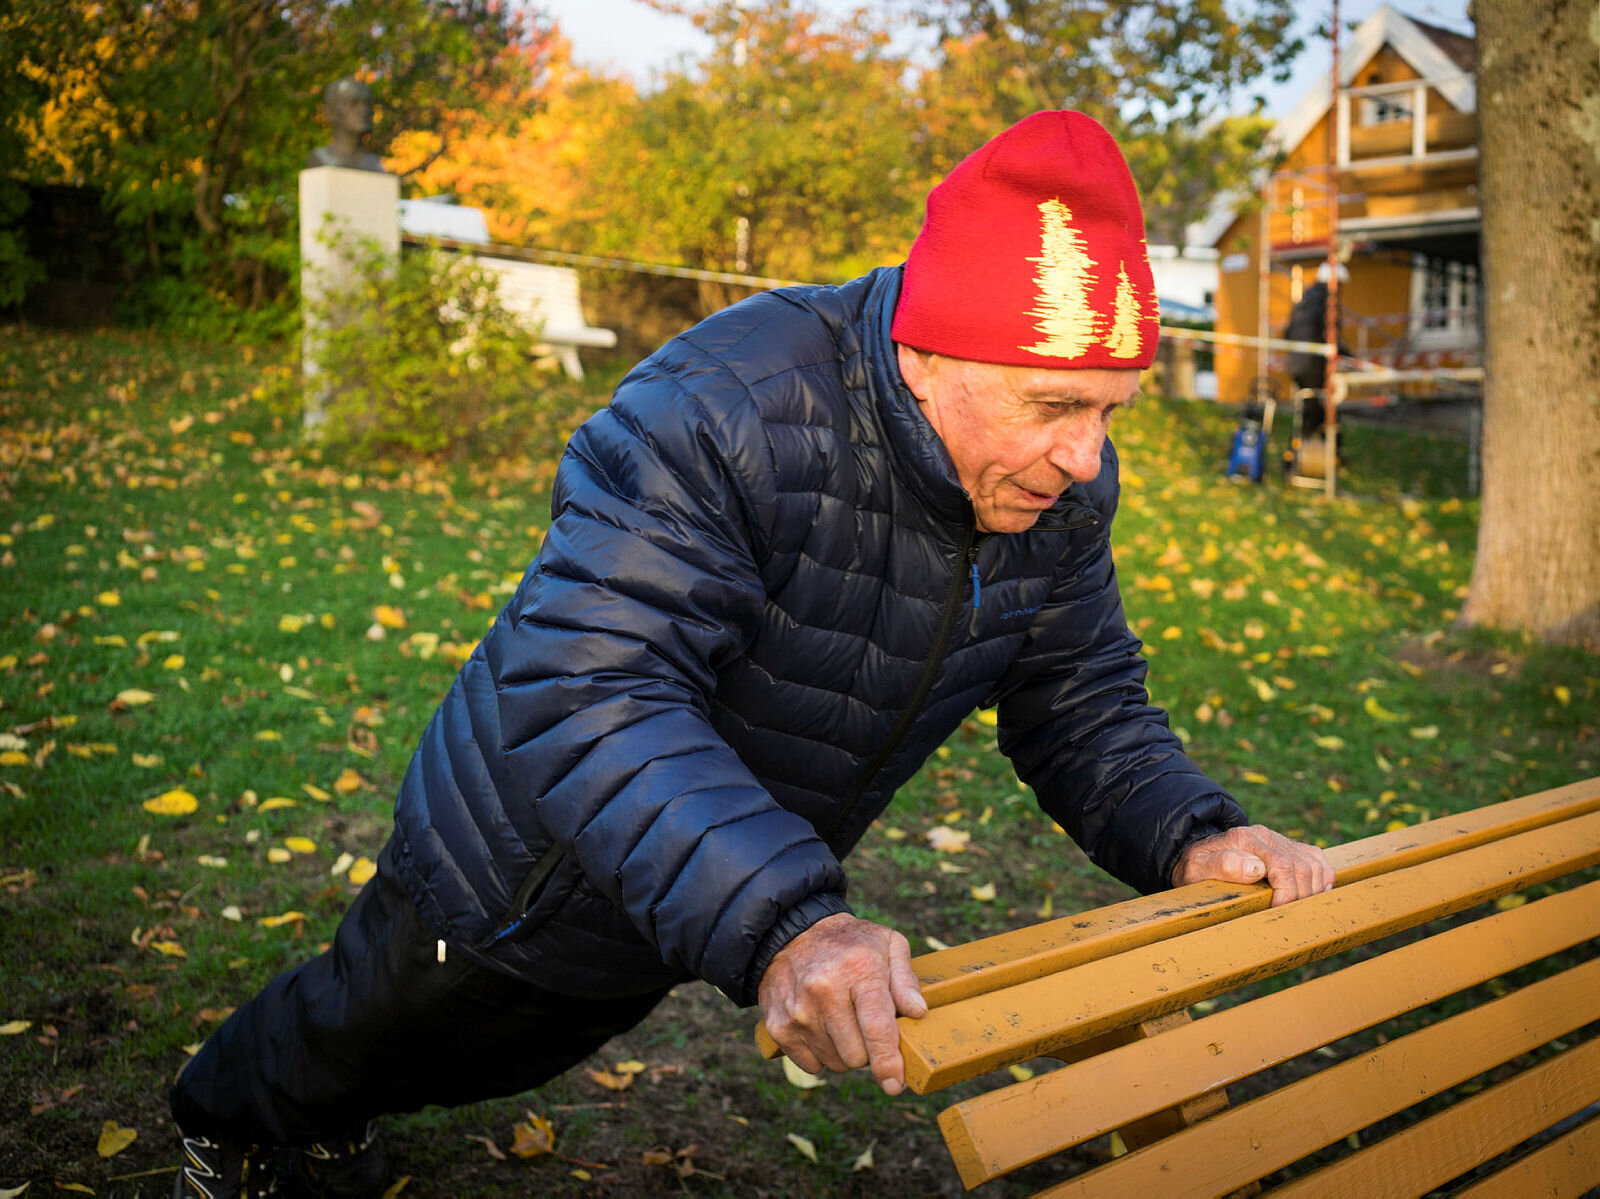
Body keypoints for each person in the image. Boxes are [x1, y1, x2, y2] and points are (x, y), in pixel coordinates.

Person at [170, 110, 1334, 1198]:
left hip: (702, 876)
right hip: (521, 855)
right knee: (385, 1016)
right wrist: (788, 919)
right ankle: (222, 1121)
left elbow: (1079, 699)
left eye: (1109, 411)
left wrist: (1193, 831)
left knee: (515, 1046)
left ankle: (319, 1120)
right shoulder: (722, 404)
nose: (1085, 456)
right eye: (1051, 405)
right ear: (927, 356)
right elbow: (593, 687)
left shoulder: (1052, 484)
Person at [1283, 261, 1350, 439]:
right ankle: (1318, 450)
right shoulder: (1324, 301)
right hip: (1311, 364)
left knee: (1312, 407)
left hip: (1296, 363)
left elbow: (1287, 332)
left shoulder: (1306, 298)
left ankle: (1308, 450)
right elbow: (1328, 334)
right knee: (1322, 409)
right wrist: (1349, 357)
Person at [306, 76, 386, 173]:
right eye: (353, 103)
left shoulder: (376, 164)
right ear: (331, 112)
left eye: (367, 103)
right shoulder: (320, 158)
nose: (364, 110)